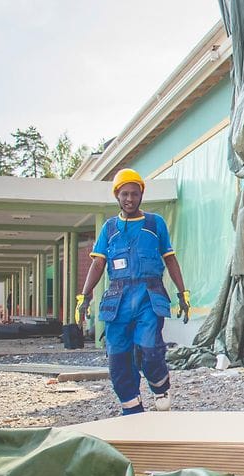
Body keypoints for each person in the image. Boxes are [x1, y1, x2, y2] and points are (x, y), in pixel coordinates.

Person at [76, 168, 190, 416]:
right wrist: (85, 296)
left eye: (134, 194)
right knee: (118, 357)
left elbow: (170, 259)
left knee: (149, 349)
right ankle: (132, 409)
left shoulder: (155, 224)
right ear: (117, 196)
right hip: (117, 301)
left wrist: (183, 294)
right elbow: (98, 263)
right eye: (124, 194)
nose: (129, 199)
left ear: (141, 195)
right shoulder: (109, 228)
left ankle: (160, 387)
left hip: (149, 296)